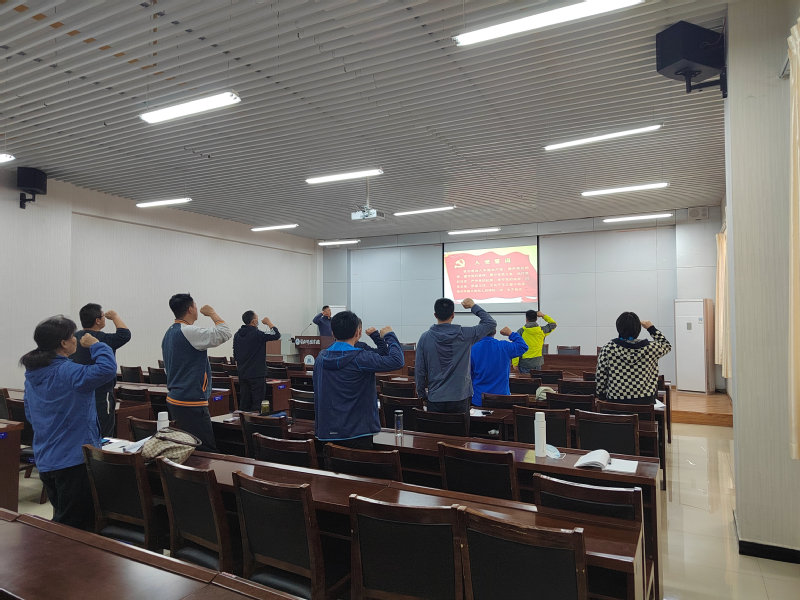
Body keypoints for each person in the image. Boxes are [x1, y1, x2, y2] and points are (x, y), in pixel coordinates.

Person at [21, 315, 117, 530]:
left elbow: (30, 412)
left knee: (63, 517)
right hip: (73, 461)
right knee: (75, 527)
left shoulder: (33, 374)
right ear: (63, 343)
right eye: (72, 336)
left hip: (46, 457)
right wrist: (97, 345)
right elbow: (106, 369)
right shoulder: (67, 371)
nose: (75, 339)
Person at [313, 311, 404, 449]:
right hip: (357, 433)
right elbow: (397, 361)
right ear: (358, 332)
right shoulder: (360, 358)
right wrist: (389, 335)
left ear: (333, 333)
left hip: (327, 432)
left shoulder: (320, 358)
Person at [162, 293, 231, 451]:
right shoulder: (188, 331)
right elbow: (224, 333)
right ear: (190, 309)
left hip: (175, 398)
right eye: (195, 305)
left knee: (186, 446)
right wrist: (212, 313)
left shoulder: (169, 332)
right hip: (191, 401)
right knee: (205, 449)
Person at [415, 298, 496, 413]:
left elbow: (420, 370)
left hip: (435, 398)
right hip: (460, 397)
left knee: (435, 426)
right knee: (459, 425)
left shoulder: (424, 338)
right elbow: (491, 323)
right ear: (453, 315)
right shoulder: (466, 334)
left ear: (435, 315)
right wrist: (473, 306)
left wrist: (422, 395)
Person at [70, 304, 131, 437]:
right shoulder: (103, 339)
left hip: (78, 393)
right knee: (103, 434)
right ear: (97, 320)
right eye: (103, 316)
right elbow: (125, 334)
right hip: (101, 394)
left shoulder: (74, 338)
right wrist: (115, 317)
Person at [596, 312, 672, 404]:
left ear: (618, 328)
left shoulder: (608, 349)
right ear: (638, 329)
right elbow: (666, 345)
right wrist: (651, 328)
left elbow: (601, 376)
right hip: (646, 401)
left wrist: (601, 396)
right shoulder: (651, 348)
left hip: (616, 401)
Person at [233, 310, 281, 412]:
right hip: (257, 374)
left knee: (244, 403)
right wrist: (269, 323)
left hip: (242, 374)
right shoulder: (257, 334)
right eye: (257, 319)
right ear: (254, 321)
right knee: (257, 404)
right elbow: (276, 335)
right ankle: (256, 421)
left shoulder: (237, 335)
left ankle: (243, 421)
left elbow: (235, 355)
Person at [470, 327, 528, 406]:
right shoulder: (504, 346)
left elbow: (468, 375)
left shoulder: (472, 348)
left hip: (479, 399)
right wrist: (511, 334)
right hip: (502, 399)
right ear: (495, 332)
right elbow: (523, 346)